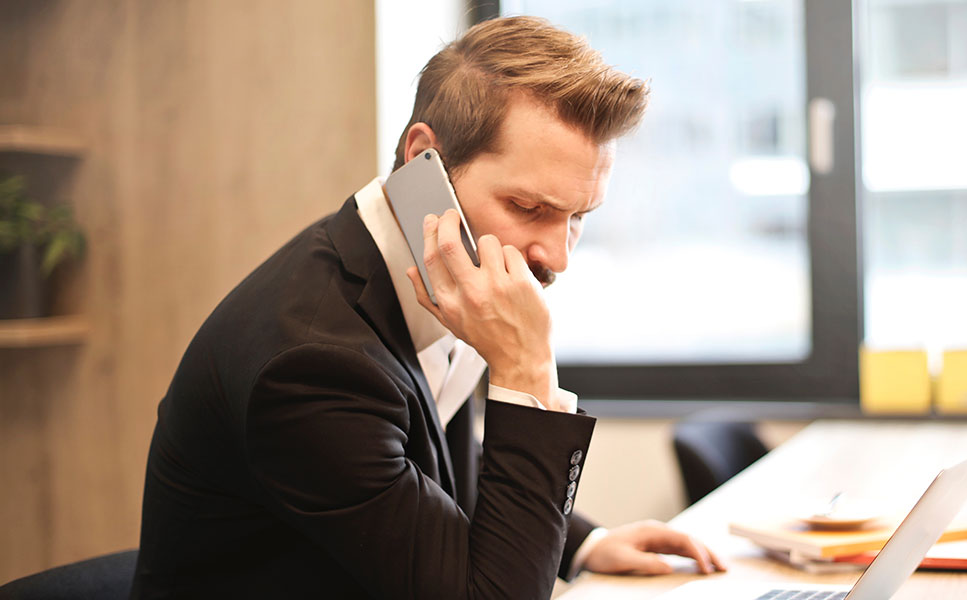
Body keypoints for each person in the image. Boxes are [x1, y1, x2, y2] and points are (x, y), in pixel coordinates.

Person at [132, 16, 725, 599]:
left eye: (578, 218)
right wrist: (527, 373)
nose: (558, 256)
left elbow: (434, 472)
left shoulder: (420, 272)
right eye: (527, 206)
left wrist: (584, 545)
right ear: (425, 161)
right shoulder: (312, 366)